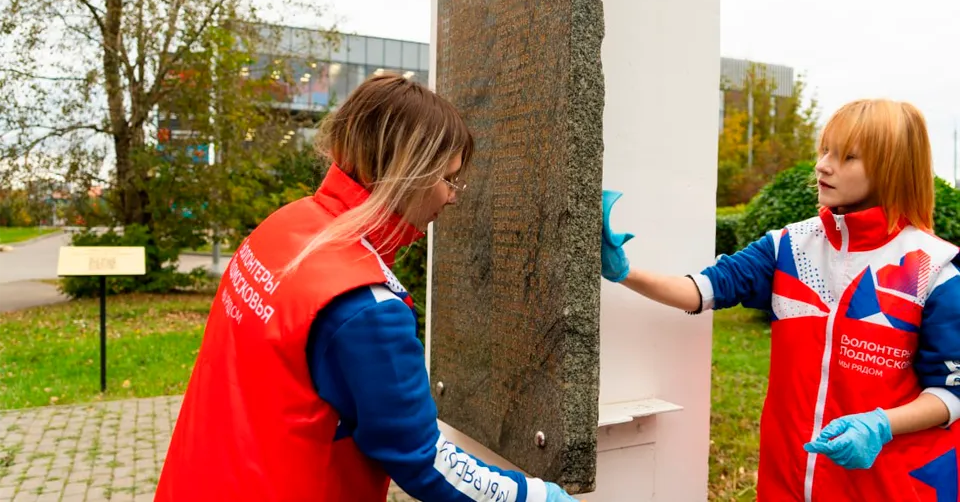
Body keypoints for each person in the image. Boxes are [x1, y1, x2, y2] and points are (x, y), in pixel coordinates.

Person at [155, 74, 580, 502]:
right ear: (408, 174)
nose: (452, 198)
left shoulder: (285, 226)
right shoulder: (367, 306)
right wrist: (536, 496)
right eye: (448, 180)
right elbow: (421, 458)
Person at [600, 99, 960, 501]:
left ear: (891, 169)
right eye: (825, 150)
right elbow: (701, 290)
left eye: (847, 157)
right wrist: (622, 271)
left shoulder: (935, 269)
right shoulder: (789, 245)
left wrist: (880, 424)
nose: (823, 165)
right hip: (787, 477)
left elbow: (951, 391)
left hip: (885, 484)